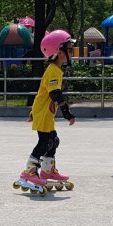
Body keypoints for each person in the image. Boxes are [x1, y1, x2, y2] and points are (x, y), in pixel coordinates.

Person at [14, 30, 76, 195]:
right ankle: (28, 172)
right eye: (69, 50)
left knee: (53, 141)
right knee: (45, 143)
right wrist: (66, 112)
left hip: (44, 113)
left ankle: (47, 171)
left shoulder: (55, 69)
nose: (72, 53)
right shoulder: (53, 71)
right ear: (59, 52)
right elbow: (54, 94)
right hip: (43, 113)